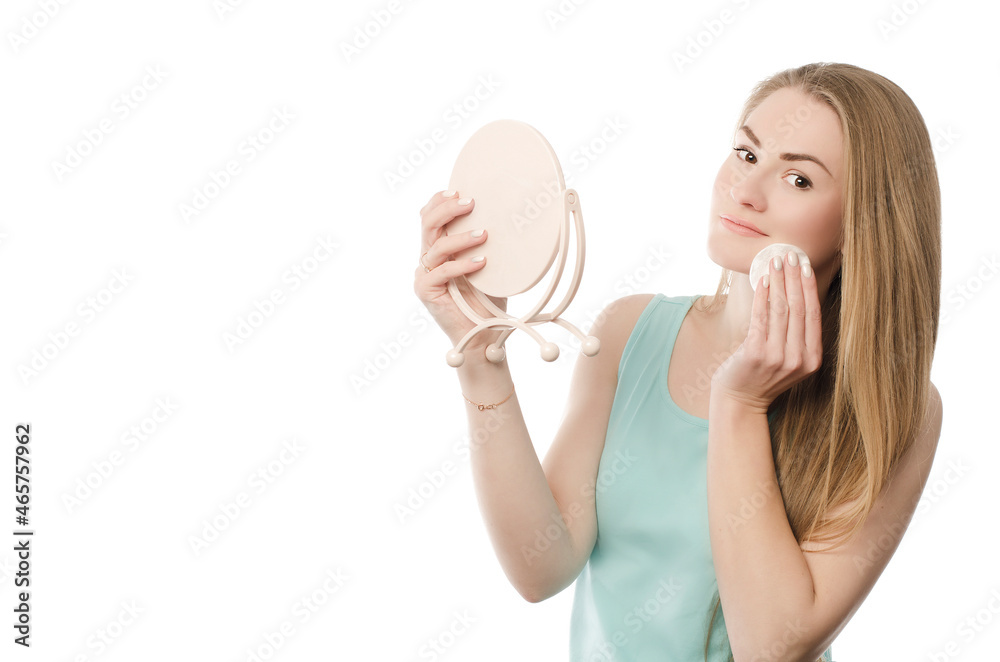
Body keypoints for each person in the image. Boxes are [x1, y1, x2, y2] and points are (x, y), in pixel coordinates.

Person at [413, 62, 943, 662]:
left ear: (861, 224)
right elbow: (541, 568)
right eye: (747, 154)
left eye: (798, 179)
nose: (745, 190)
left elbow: (772, 648)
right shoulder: (630, 332)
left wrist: (739, 403)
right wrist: (481, 353)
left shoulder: (892, 406)